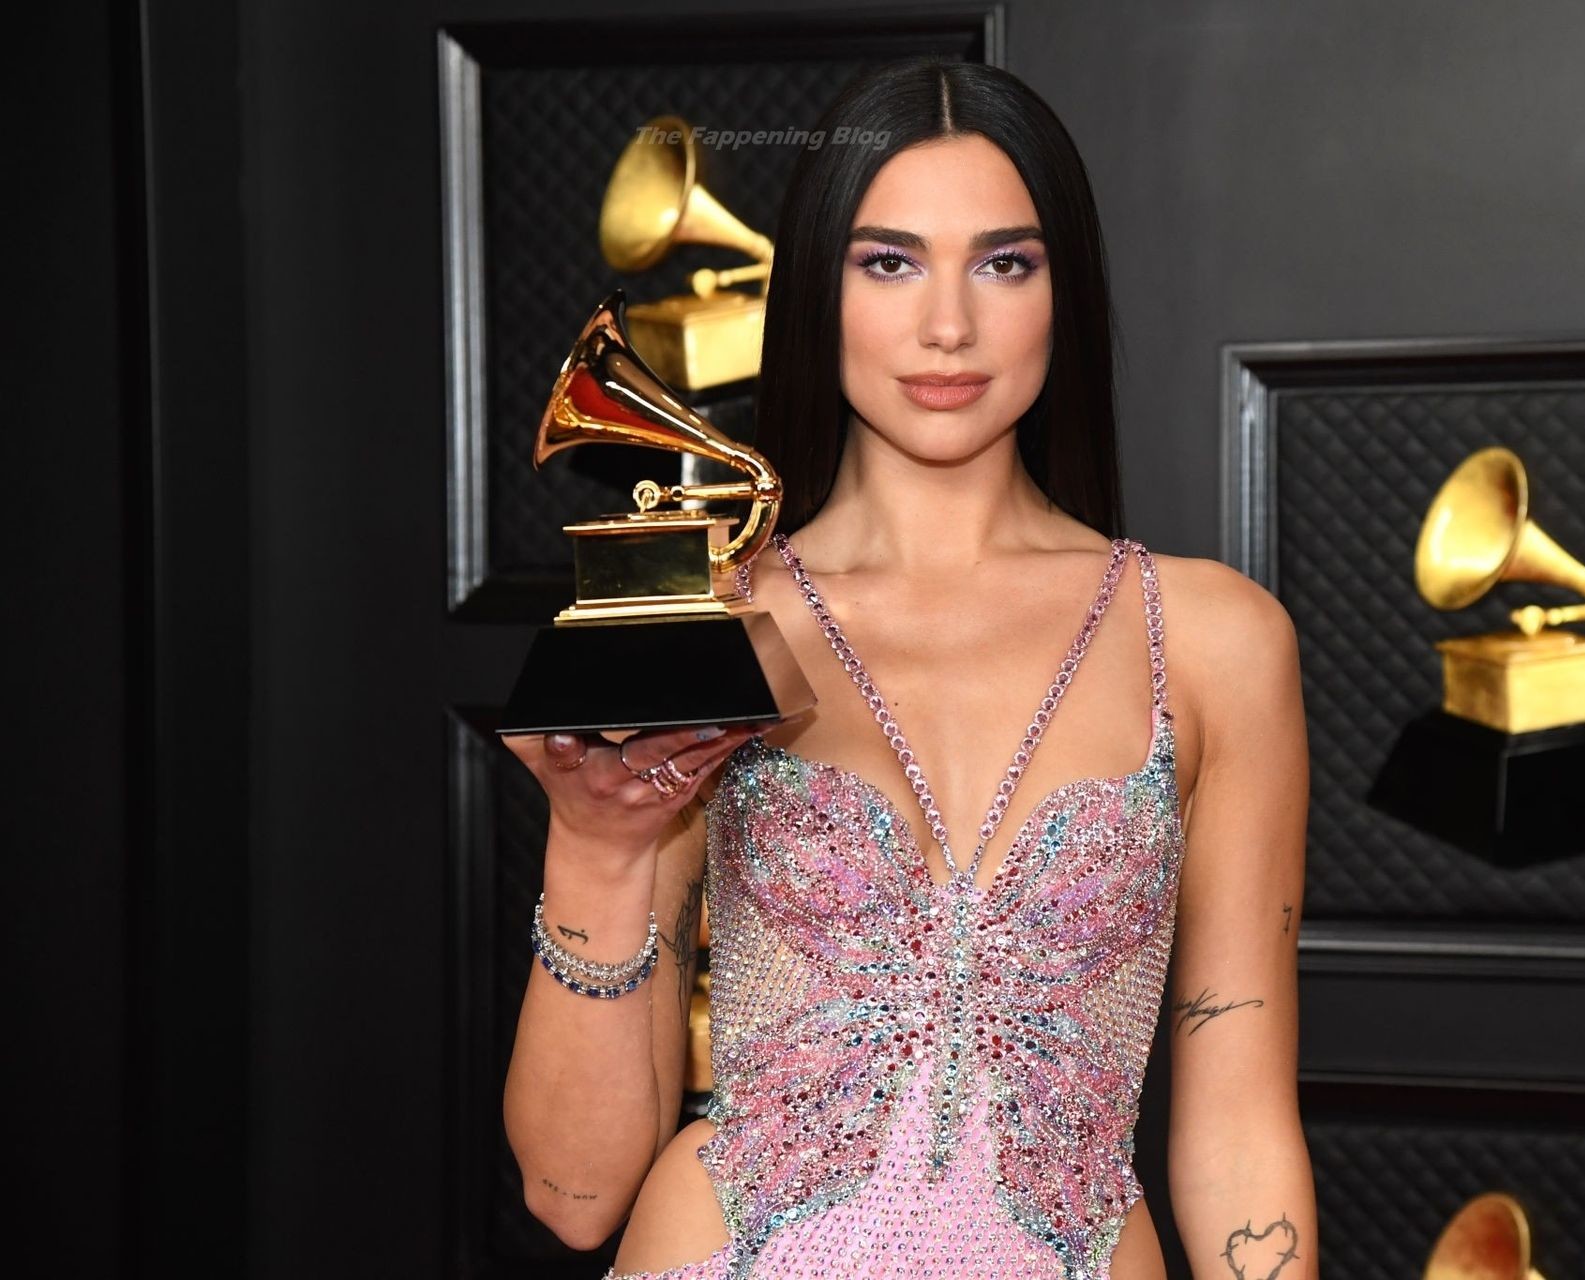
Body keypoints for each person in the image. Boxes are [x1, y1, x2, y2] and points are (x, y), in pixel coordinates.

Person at [502, 57, 1315, 1280]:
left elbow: (1240, 1131)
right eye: (888, 263)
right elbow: (574, 1195)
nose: (949, 324)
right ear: (815, 290)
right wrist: (596, 849)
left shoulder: (1213, 639)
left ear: (1065, 289)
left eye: (1005, 263)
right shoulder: (712, 621)